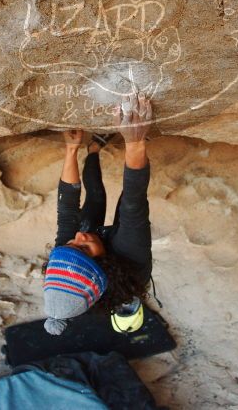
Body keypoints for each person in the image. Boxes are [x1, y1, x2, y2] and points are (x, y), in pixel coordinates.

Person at [43, 93, 154, 336]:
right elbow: (134, 201)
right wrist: (135, 141)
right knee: (127, 205)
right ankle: (121, 147)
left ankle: (93, 149)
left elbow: (68, 207)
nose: (79, 236)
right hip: (121, 258)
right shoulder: (133, 263)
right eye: (83, 248)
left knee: (96, 198)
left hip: (101, 254)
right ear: (101, 265)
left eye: (72, 244)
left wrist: (71, 150)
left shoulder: (67, 257)